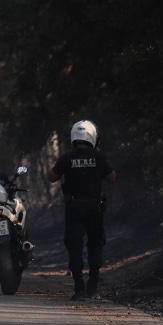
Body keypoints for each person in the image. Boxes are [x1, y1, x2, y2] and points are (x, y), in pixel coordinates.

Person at [49, 120, 117, 300]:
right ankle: (93, 287)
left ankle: (79, 288)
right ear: (93, 137)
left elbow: (52, 177)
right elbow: (111, 178)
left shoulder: (67, 157)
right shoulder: (99, 157)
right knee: (95, 245)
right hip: (95, 208)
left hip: (74, 208)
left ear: (74, 137)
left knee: (74, 247)